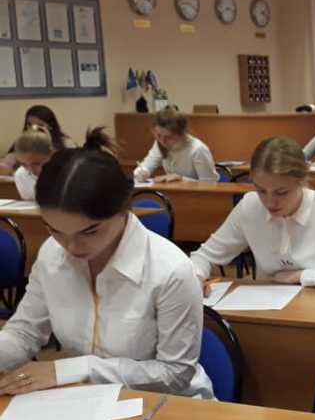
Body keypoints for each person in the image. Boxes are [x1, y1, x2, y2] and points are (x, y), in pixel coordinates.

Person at [0, 129, 213, 398]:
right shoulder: (52, 254)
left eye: (89, 232)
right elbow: (25, 332)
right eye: (55, 230)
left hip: (166, 405)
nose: (71, 247)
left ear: (124, 209)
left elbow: (175, 373)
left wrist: (78, 369)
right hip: (86, 400)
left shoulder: (171, 270)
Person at [190, 136, 315, 292]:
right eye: (261, 191)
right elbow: (203, 256)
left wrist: (301, 276)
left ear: (301, 181)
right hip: (269, 310)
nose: (269, 202)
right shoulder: (250, 206)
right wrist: (196, 278)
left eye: (281, 192)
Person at [133, 108, 218, 183]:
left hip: (196, 195)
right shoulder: (159, 143)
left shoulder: (198, 149)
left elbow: (210, 184)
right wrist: (141, 172)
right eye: (158, 135)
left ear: (182, 133)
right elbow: (148, 164)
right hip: (173, 193)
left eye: (169, 137)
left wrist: (181, 179)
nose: (162, 141)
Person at [0, 105, 70, 174]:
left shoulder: (65, 143)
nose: (33, 129)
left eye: (40, 125)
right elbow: (6, 163)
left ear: (50, 126)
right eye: (29, 125)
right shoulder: (23, 141)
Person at [12, 125, 55, 201]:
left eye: (36, 164)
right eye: (24, 164)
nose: (30, 170)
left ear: (51, 154)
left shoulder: (65, 173)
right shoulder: (21, 174)